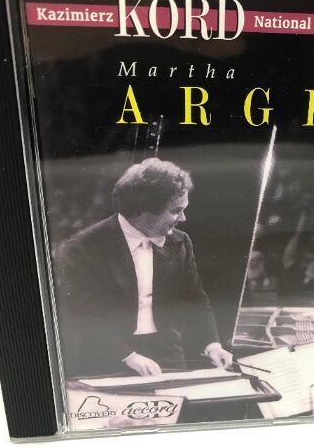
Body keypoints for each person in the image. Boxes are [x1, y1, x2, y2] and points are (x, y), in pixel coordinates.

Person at [55, 158, 233, 378]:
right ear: (144, 209)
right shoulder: (83, 247)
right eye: (176, 210)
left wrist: (212, 344)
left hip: (167, 355)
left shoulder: (180, 241)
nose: (183, 218)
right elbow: (83, 313)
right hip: (107, 359)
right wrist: (129, 356)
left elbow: (194, 297)